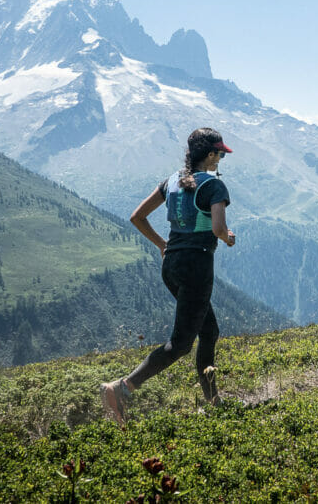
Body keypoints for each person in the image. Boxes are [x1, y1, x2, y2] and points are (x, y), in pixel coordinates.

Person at [100, 127, 236, 425]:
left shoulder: (171, 181)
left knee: (209, 331)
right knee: (181, 344)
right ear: (211, 154)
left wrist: (163, 244)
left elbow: (137, 217)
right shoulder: (214, 187)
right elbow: (217, 228)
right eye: (220, 154)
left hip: (171, 265)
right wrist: (228, 237)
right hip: (196, 265)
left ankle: (213, 401)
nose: (221, 160)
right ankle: (121, 388)